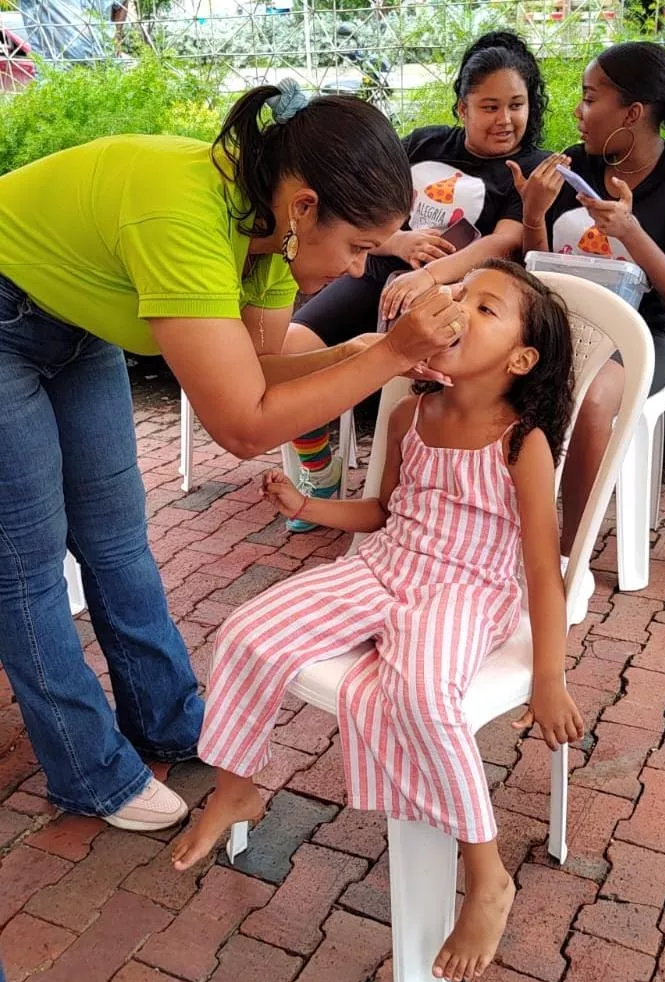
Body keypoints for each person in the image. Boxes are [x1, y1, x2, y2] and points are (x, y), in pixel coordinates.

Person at [0, 81, 463, 832]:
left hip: (72, 320)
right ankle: (86, 771)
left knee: (116, 535)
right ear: (306, 207)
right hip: (5, 307)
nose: (355, 272)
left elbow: (251, 372)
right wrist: (384, 360)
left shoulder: (274, 232)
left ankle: (169, 718)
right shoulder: (183, 216)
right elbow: (243, 428)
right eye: (358, 248)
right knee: (25, 561)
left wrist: (362, 351)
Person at [171, 261, 585, 982]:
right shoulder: (409, 414)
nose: (456, 309)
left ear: (520, 360)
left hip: (463, 593)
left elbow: (542, 570)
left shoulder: (522, 443)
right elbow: (382, 513)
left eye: (483, 309)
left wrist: (548, 676)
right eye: (455, 295)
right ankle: (238, 781)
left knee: (420, 695)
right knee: (245, 631)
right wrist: (309, 509)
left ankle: (484, 872)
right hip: (382, 570)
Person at [281, 30, 550, 532]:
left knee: (409, 374)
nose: (505, 119)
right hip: (376, 271)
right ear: (461, 108)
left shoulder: (529, 169)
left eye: (517, 105)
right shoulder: (424, 142)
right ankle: (320, 470)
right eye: (489, 106)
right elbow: (359, 211)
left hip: (454, 296)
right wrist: (397, 243)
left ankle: (403, 494)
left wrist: (430, 274)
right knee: (293, 346)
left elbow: (503, 242)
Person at [513, 41, 665, 603]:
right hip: (567, 323)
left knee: (596, 395)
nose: (577, 112)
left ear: (632, 113)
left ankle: (568, 562)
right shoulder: (571, 167)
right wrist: (533, 215)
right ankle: (478, 533)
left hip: (644, 335)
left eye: (589, 98)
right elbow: (538, 268)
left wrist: (631, 233)